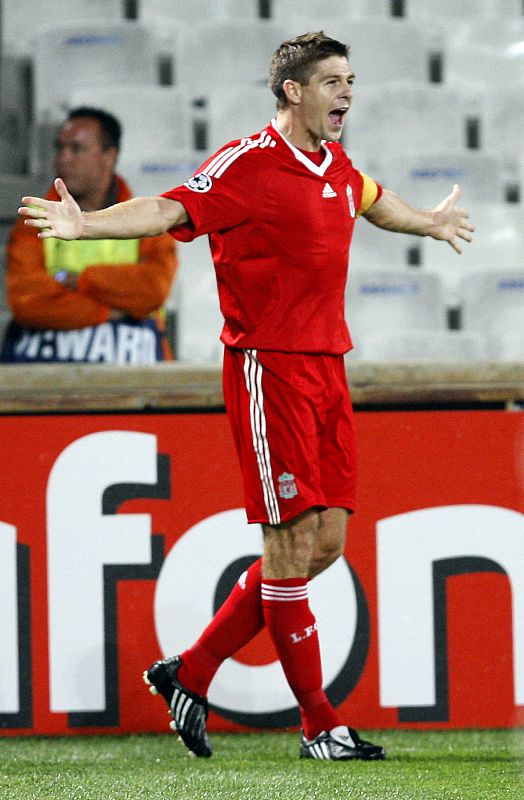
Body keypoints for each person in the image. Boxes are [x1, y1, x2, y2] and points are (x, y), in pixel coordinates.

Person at [18, 32, 474, 760]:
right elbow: (168, 211)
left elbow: (372, 200)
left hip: (329, 367)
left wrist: (429, 221)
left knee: (325, 543)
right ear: (294, 91)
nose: (347, 93)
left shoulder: (332, 164)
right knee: (288, 544)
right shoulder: (248, 164)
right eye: (333, 81)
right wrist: (85, 224)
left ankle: (190, 669)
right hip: (271, 369)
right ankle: (321, 725)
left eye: (351, 80)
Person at [2, 107, 177, 364]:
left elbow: (153, 290)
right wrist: (109, 312)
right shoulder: (33, 217)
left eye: (76, 149)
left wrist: (79, 281)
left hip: (131, 357)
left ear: (109, 156)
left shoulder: (146, 216)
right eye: (59, 147)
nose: (63, 158)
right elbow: (27, 300)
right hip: (48, 361)